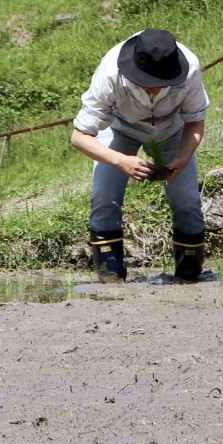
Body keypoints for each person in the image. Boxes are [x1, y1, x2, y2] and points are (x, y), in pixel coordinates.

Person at [70, 28, 210, 283]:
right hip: (119, 129)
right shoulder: (110, 72)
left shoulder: (190, 68)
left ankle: (188, 275)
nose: (155, 91)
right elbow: (79, 138)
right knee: (104, 197)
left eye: (162, 84)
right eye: (148, 84)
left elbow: (196, 121)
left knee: (187, 199)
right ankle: (111, 277)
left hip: (173, 131)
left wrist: (184, 156)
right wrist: (121, 161)